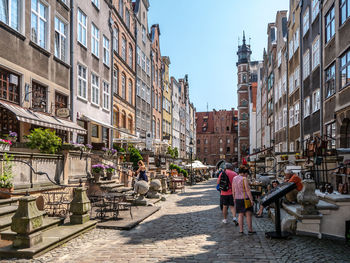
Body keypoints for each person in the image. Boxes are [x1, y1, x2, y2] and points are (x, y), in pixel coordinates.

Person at [232, 165, 255, 234]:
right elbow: (248, 190)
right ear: (244, 173)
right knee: (248, 214)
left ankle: (241, 230)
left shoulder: (234, 178)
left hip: (238, 198)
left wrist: (234, 198)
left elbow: (233, 190)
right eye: (247, 173)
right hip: (245, 198)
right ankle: (250, 230)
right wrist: (251, 199)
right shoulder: (244, 179)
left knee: (240, 214)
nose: (247, 175)